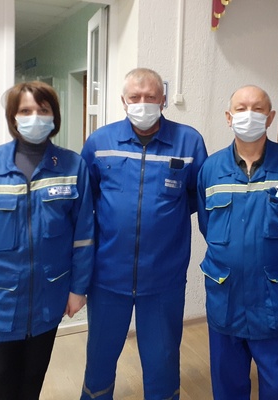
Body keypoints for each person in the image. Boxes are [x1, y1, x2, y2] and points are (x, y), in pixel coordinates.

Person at [0, 81, 95, 400]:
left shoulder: (73, 166)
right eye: (25, 111)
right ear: (13, 118)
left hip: (49, 301)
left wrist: (78, 290)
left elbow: (84, 237)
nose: (35, 117)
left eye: (43, 110)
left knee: (32, 382)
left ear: (54, 117)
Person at [80, 68, 208, 400]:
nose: (143, 103)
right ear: (123, 101)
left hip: (164, 277)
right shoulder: (99, 142)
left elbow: (197, 197)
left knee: (162, 361)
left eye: (150, 97)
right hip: (107, 276)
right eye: (135, 97)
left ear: (163, 100)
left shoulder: (189, 141)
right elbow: (85, 202)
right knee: (100, 359)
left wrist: (161, 218)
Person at [196, 85, 278, 399]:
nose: (249, 115)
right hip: (225, 297)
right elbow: (208, 227)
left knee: (276, 384)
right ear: (228, 117)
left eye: (258, 109)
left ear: (270, 117)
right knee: (227, 385)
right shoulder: (211, 169)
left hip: (273, 300)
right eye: (241, 108)